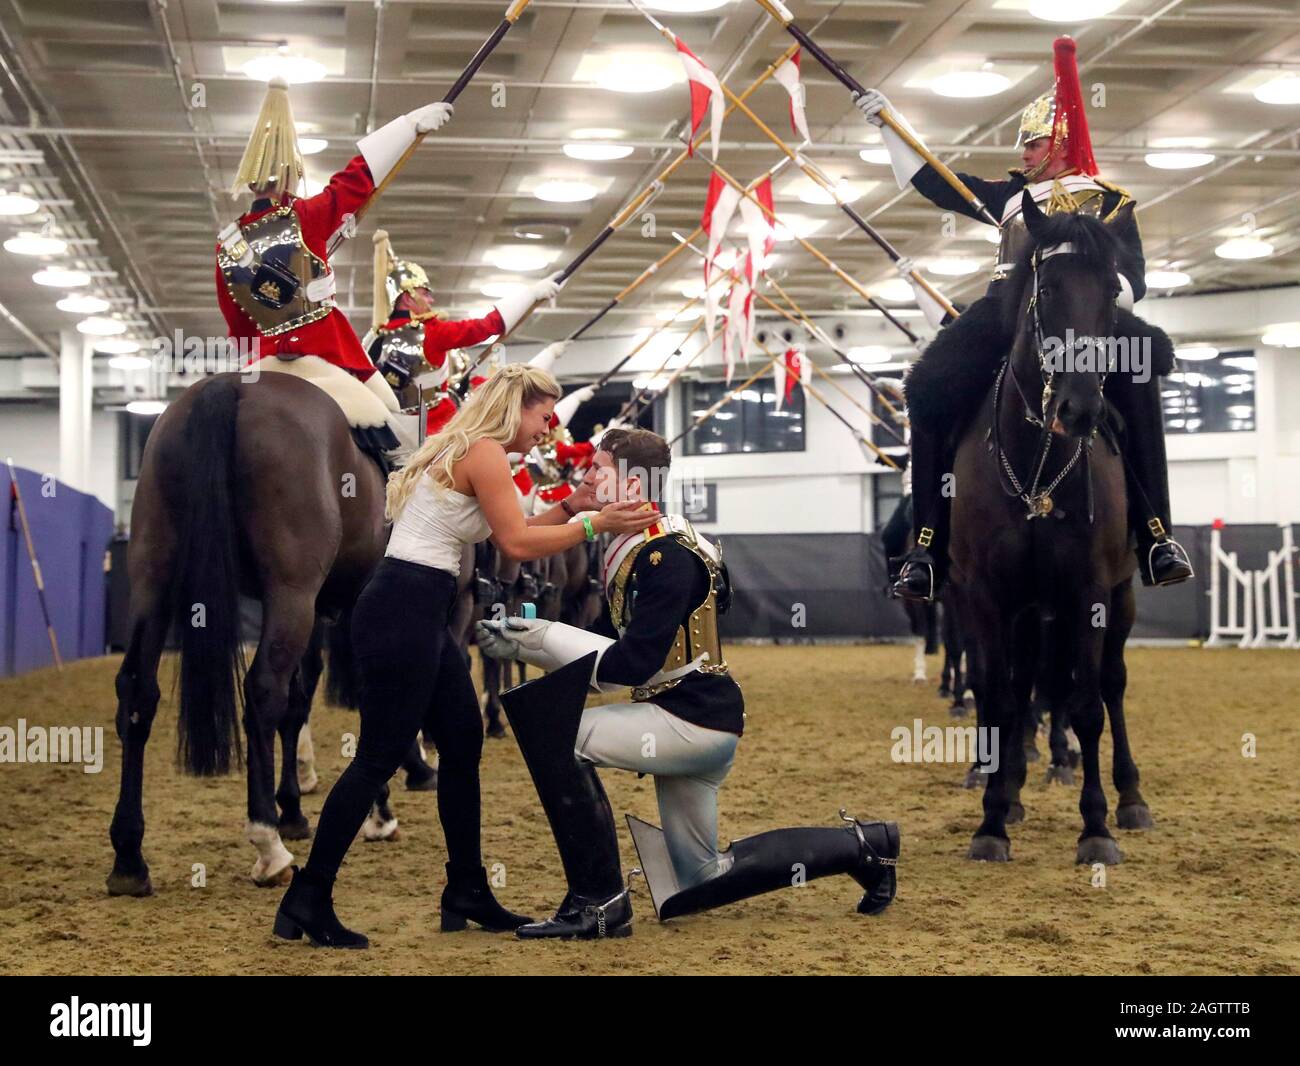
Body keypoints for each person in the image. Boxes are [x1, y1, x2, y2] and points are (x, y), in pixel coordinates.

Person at [272, 365, 662, 948]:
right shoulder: (484, 453)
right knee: (377, 757)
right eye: (542, 413)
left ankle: (467, 888)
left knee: (461, 742)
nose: (549, 425)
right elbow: (515, 544)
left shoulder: (472, 451)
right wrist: (593, 523)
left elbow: (520, 526)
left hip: (414, 607)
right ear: (513, 407)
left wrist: (572, 508)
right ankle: (308, 897)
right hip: (405, 608)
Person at [477, 428, 900, 941]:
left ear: (633, 482)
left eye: (599, 467)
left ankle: (597, 903)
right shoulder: (641, 546)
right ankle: (865, 847)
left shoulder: (665, 556)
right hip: (687, 718)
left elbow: (630, 664)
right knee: (699, 878)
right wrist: (534, 644)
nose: (587, 475)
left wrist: (536, 638)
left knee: (557, 739)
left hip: (690, 723)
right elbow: (608, 648)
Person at [854, 35, 1191, 601]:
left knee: (1143, 375)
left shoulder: (1111, 202)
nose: (1025, 154)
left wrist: (1104, 304)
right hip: (1006, 313)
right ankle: (929, 546)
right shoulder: (1012, 196)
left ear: (1060, 143)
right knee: (929, 387)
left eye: (1033, 144)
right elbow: (937, 182)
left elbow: (1136, 276)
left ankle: (1156, 534)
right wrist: (889, 125)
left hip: (1088, 319)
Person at [365, 230, 566, 436]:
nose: (430, 301)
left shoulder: (373, 338)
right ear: (407, 297)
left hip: (387, 427)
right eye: (425, 294)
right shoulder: (432, 331)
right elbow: (486, 326)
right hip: (434, 426)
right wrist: (531, 294)